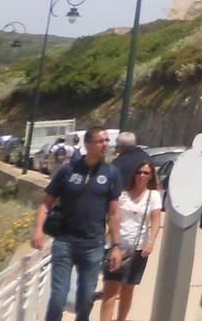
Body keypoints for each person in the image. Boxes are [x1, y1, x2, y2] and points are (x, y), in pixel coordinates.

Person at [33, 126, 122, 321]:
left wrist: (116, 246)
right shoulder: (68, 170)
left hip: (93, 244)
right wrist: (38, 230)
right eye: (101, 141)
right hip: (65, 241)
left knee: (85, 299)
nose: (106, 145)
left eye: (107, 141)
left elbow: (114, 213)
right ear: (88, 144)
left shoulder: (112, 173)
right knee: (58, 298)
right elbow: (45, 204)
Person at [101, 161, 163, 321]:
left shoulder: (153, 196)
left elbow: (156, 221)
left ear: (151, 176)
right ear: (134, 174)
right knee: (110, 290)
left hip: (138, 248)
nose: (142, 176)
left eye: (146, 173)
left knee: (128, 290)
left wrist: (151, 242)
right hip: (117, 247)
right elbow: (112, 217)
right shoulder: (122, 195)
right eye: (139, 172)